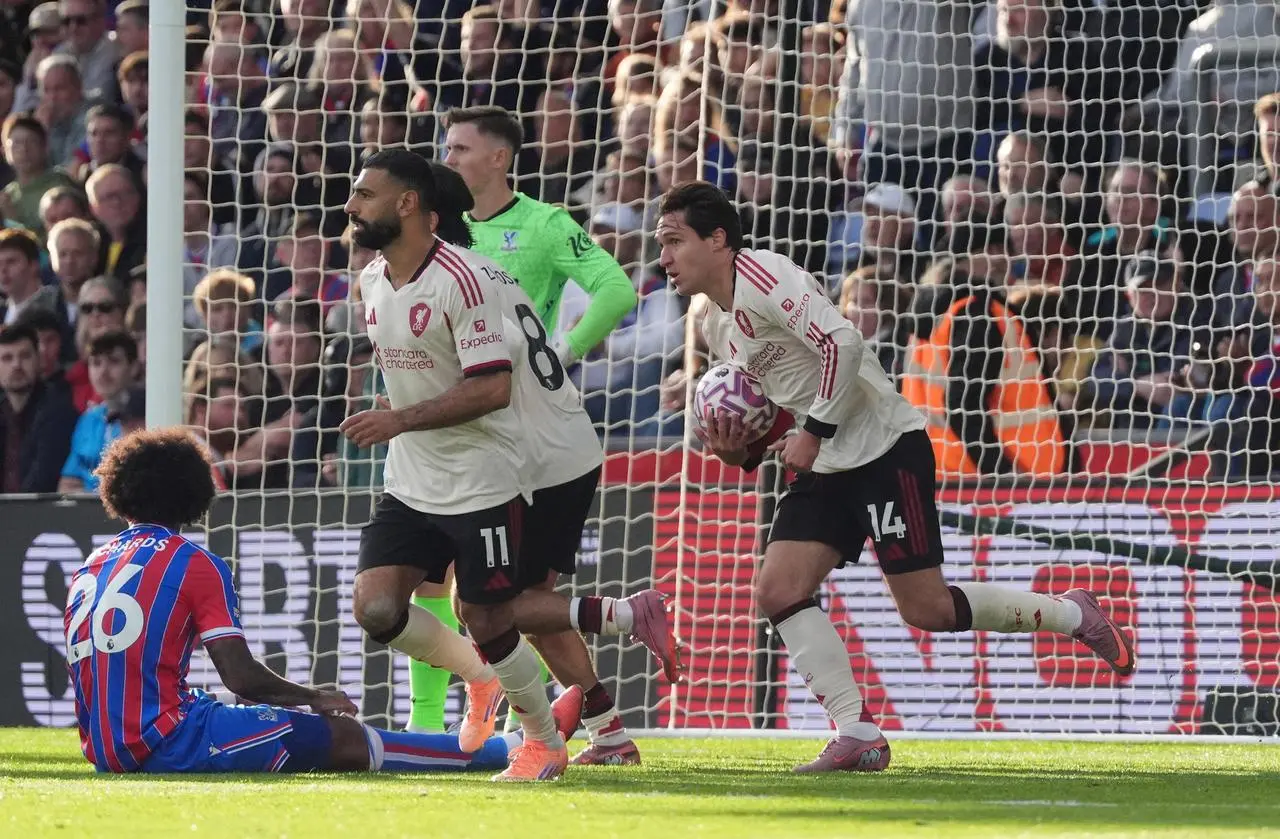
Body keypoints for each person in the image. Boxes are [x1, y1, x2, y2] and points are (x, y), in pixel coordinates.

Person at [655, 181, 1135, 773]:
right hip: (828, 461)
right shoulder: (712, 322)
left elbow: (843, 343)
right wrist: (738, 451)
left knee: (928, 610)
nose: (664, 258)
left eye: (674, 241)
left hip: (884, 447)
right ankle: (856, 732)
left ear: (717, 240)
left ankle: (1072, 613)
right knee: (777, 590)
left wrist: (813, 433)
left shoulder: (764, 277)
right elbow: (778, 405)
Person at [338, 150, 672, 780]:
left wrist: (402, 419)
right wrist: (402, 414)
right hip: (422, 471)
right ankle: (541, 685)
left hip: (531, 458)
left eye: (364, 193)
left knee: (497, 610)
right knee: (386, 608)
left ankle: (554, 726)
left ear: (413, 205)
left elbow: (493, 388)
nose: (350, 205)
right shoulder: (376, 280)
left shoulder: (471, 278)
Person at [66, 427, 578, 774]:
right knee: (345, 738)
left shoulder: (91, 566)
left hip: (105, 748)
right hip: (167, 742)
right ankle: (506, 749)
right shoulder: (192, 562)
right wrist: (313, 698)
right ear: (192, 492)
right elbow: (240, 677)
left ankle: (491, 729)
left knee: (242, 714)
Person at [442, 106, 637, 370]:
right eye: (448, 148)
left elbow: (617, 290)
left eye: (461, 149)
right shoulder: (442, 227)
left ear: (498, 158)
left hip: (519, 387)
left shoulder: (546, 224)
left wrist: (563, 353)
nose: (449, 160)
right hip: (451, 384)